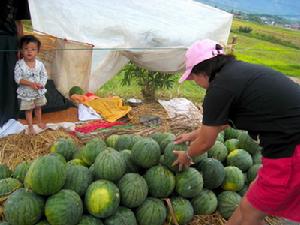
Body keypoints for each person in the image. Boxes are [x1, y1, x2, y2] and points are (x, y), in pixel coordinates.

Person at [173, 39, 300, 224]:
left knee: (251, 211)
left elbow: (206, 143)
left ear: (202, 71)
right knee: (249, 202)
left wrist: (187, 155)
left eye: (192, 77)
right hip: (289, 142)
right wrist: (192, 135)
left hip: (291, 148)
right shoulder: (235, 74)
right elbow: (221, 124)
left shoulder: (219, 89)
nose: (194, 82)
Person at [0, 0, 31, 127]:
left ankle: (8, 118)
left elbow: (19, 22)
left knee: (9, 79)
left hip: (9, 41)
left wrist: (20, 46)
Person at [14, 35, 47, 134]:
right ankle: (30, 126)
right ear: (21, 50)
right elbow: (17, 79)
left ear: (37, 51)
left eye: (33, 49)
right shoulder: (20, 64)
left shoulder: (40, 64)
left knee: (38, 107)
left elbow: (44, 75)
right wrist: (31, 84)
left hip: (38, 91)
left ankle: (39, 122)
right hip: (27, 93)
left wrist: (41, 84)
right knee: (28, 110)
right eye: (26, 49)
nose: (29, 51)